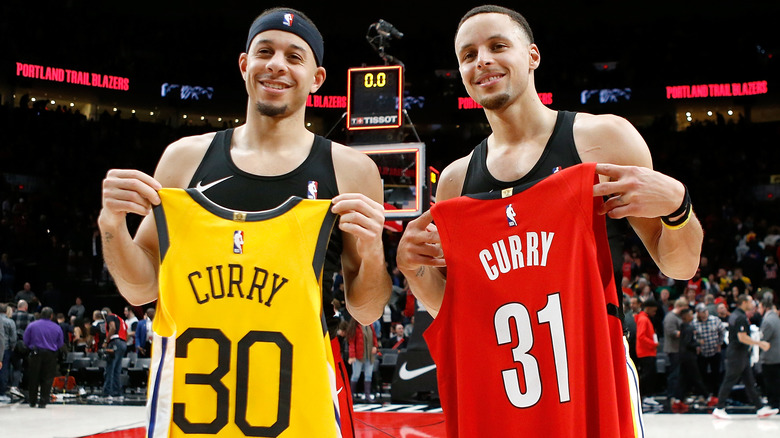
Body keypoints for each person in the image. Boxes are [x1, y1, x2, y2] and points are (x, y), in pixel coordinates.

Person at [396, 6, 703, 435]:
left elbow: (680, 266)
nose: (481, 60)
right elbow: (451, 308)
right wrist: (414, 270)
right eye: (468, 54)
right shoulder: (455, 180)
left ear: (533, 56)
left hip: (592, 370)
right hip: (502, 381)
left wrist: (677, 206)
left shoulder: (603, 139)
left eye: (497, 46)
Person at [98, 7, 390, 437]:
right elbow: (142, 287)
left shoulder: (353, 170)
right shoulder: (184, 158)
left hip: (299, 404)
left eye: (294, 56)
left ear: (317, 77)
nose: (276, 64)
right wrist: (111, 224)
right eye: (265, 51)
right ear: (244, 64)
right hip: (193, 410)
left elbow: (365, 310)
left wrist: (371, 252)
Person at [712, 295, 778, 419]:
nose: (752, 303)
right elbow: (742, 337)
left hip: (740, 353)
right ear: (743, 302)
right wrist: (760, 343)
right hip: (737, 354)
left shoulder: (735, 315)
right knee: (729, 380)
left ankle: (759, 408)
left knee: (749, 381)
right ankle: (719, 408)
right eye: (750, 301)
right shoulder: (740, 317)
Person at [23, 307, 63, 408]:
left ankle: (32, 401)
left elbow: (26, 340)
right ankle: (43, 401)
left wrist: (31, 347)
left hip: (36, 353)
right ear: (51, 316)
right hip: (50, 354)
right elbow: (60, 343)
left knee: (33, 377)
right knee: (48, 378)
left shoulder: (32, 325)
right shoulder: (56, 327)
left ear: (41, 314)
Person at [691, 303, 725, 397]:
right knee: (702, 374)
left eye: (705, 311)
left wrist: (720, 343)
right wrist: (697, 345)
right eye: (702, 312)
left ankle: (716, 394)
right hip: (702, 352)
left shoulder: (715, 320)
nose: (705, 313)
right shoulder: (694, 323)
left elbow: (722, 331)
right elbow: (692, 336)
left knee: (716, 374)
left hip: (714, 350)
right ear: (698, 313)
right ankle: (704, 394)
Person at [347, 318, 378, 402]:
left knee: (368, 375)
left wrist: (375, 346)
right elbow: (351, 343)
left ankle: (367, 395)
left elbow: (374, 337)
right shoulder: (355, 326)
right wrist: (352, 355)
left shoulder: (370, 325)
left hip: (369, 354)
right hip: (358, 355)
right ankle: (351, 396)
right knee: (355, 375)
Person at [759, 292, 780, 409]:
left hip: (771, 357)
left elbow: (763, 338)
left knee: (772, 382)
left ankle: (774, 404)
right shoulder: (775, 317)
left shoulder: (768, 320)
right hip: (776, 355)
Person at [634, 299, 659, 401]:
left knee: (647, 375)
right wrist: (653, 344)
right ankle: (645, 396)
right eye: (654, 311)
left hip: (646, 351)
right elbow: (641, 336)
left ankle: (645, 396)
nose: (655, 313)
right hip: (646, 352)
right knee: (647, 376)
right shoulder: (643, 319)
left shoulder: (643, 318)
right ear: (648, 308)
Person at [101, 307, 127, 397]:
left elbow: (112, 328)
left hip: (114, 342)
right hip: (123, 343)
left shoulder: (110, 317)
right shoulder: (120, 319)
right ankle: (117, 392)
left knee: (110, 368)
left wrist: (106, 341)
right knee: (117, 369)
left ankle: (108, 392)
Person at [0, 303, 17, 396]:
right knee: (4, 370)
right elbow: (13, 337)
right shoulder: (10, 322)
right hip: (5, 349)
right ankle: (2, 392)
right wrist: (13, 347)